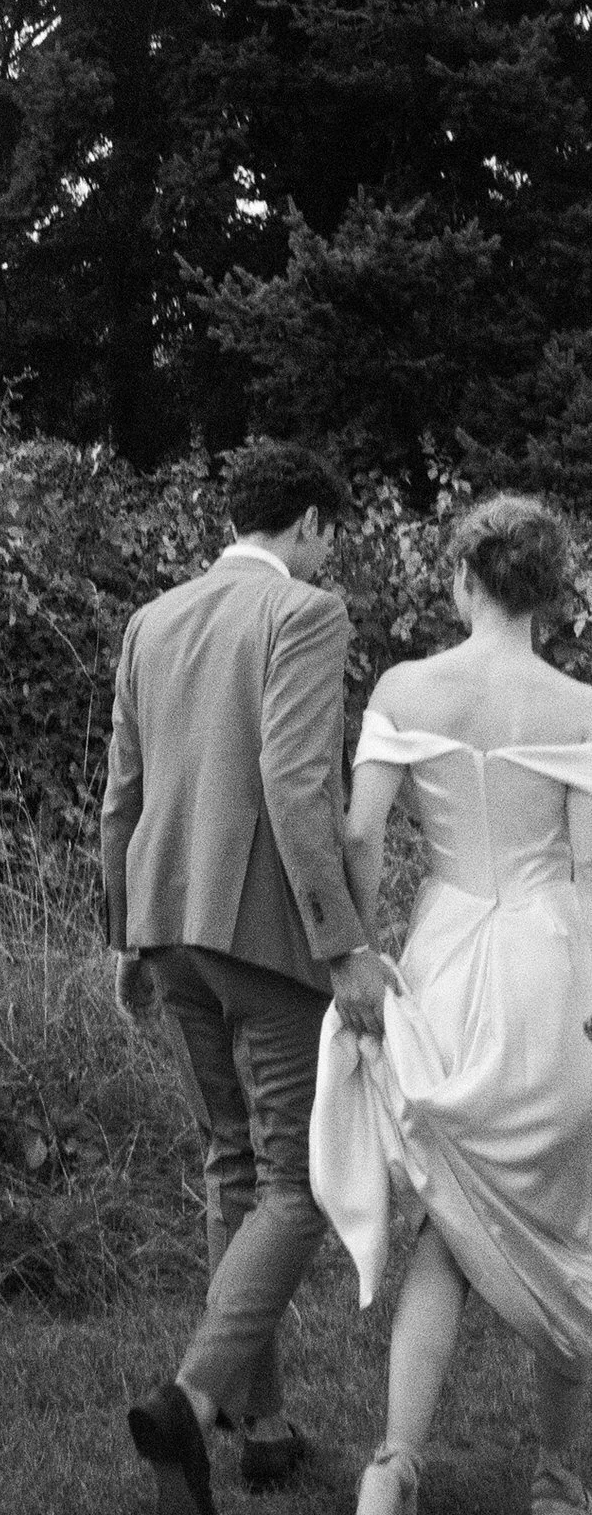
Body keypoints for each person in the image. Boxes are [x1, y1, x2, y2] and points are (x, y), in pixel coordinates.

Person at [103, 439, 394, 1515]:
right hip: (264, 937)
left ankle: (261, 1428)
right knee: (298, 1183)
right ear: (309, 523)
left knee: (232, 1163)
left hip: (166, 926)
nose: (328, 558)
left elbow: (120, 792)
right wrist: (343, 945)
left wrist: (121, 934)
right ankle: (188, 1400)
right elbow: (294, 778)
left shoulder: (152, 619)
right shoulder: (304, 614)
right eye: (329, 538)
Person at [311, 493, 592, 1515]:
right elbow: (590, 871)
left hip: (442, 962)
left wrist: (358, 950)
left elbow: (358, 835)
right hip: (547, 970)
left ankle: (392, 1466)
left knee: (446, 1222)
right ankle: (556, 1479)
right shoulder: (580, 708)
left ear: (464, 580)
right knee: (566, 1221)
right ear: (550, 595)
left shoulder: (404, 688)